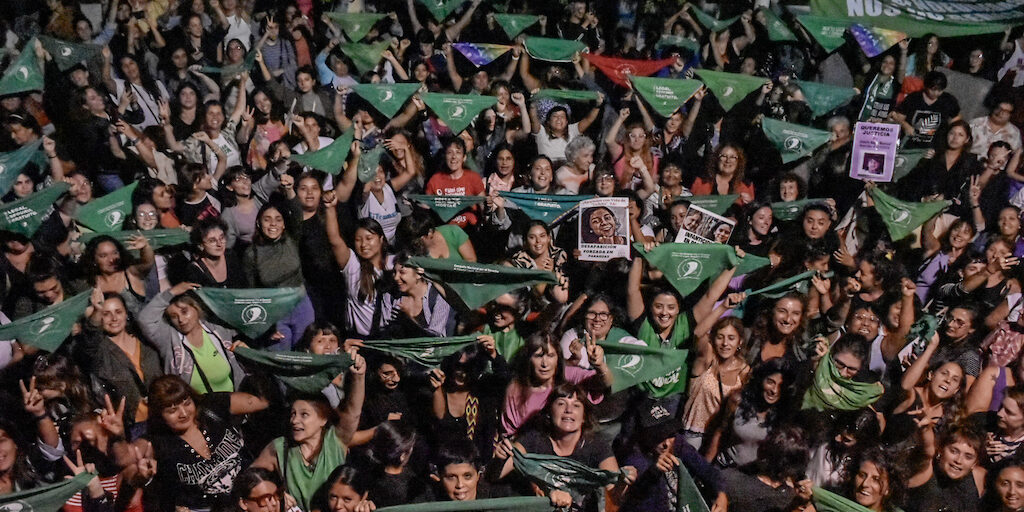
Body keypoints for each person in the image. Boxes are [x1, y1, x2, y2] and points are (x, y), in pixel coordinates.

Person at [250, 348, 366, 512]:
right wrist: (275, 493)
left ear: (323, 418)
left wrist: (359, 377)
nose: (295, 420)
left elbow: (353, 412)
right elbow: (249, 479)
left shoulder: (335, 440)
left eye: (304, 415)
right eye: (293, 414)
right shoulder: (280, 447)